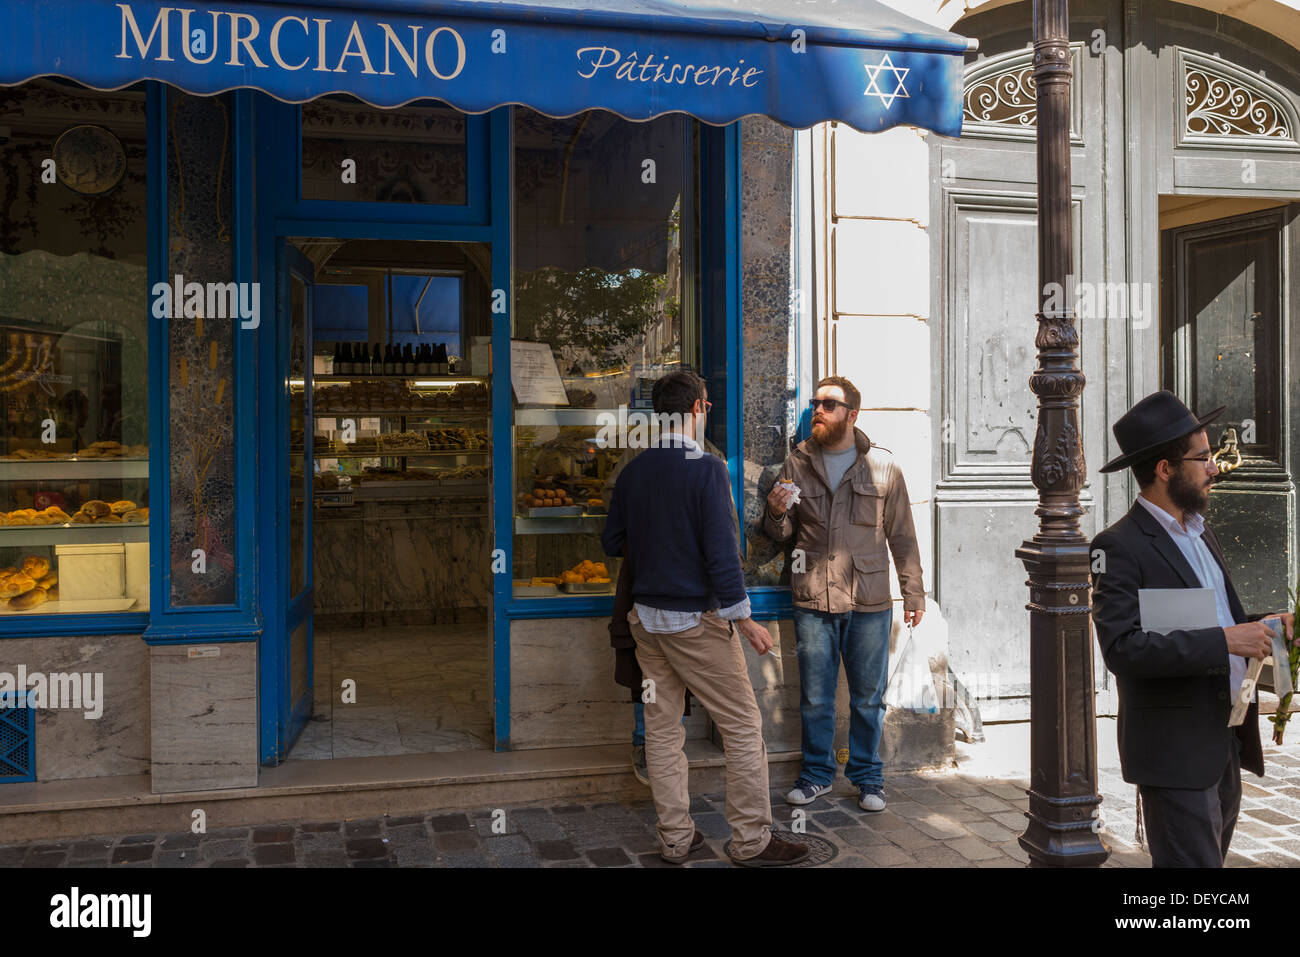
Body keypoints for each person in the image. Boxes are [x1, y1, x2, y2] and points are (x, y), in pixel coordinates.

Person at [602, 370, 808, 866]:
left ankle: (675, 838)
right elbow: (721, 553)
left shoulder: (634, 472)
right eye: (707, 405)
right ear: (697, 409)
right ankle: (752, 841)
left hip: (646, 624)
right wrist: (745, 621)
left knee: (662, 729)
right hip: (695, 622)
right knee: (741, 726)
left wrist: (659, 540)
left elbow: (611, 543)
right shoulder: (707, 469)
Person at [1091, 390, 1292, 867]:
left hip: (1222, 740)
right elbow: (1123, 649)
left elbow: (1212, 622)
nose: (1216, 467)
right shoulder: (1118, 546)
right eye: (1203, 457)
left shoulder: (1202, 531)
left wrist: (1267, 626)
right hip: (1173, 751)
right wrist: (1226, 640)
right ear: (1165, 469)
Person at [764, 376, 925, 812]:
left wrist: (914, 594)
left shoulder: (884, 467)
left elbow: (903, 535)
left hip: (869, 599)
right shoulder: (796, 463)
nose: (818, 410)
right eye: (816, 403)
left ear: (852, 415)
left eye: (828, 405)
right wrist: (776, 512)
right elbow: (780, 534)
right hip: (813, 597)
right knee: (815, 698)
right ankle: (817, 775)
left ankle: (868, 777)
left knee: (868, 698)